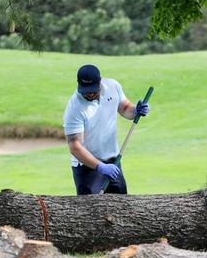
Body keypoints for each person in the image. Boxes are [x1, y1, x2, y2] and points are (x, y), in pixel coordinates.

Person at [63, 64, 150, 195]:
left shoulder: (113, 86)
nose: (90, 94)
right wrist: (100, 167)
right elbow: (75, 147)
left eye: (92, 89)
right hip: (87, 168)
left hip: (113, 161)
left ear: (100, 81)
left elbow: (125, 108)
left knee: (122, 207)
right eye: (86, 90)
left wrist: (136, 110)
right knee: (92, 212)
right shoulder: (74, 108)